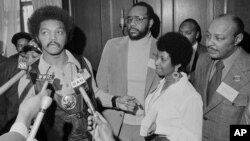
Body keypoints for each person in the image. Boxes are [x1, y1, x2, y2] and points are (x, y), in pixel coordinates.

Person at [1, 5, 97, 141]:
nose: (53, 38)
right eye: (45, 32)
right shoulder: (30, 75)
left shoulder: (82, 62)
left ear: (67, 35)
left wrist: (115, 101)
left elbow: (95, 93)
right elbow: (25, 118)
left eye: (59, 32)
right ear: (37, 37)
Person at [96, 2, 161, 141]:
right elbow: (100, 87)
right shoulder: (112, 46)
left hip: (148, 126)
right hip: (116, 124)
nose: (132, 23)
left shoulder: (161, 49)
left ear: (150, 23)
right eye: (129, 19)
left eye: (139, 19)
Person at [192, 14, 250, 141]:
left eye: (219, 38)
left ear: (237, 39)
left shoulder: (247, 70)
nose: (209, 43)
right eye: (208, 36)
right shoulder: (203, 60)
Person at [140, 32, 203, 141]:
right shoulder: (161, 83)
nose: (157, 62)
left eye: (163, 59)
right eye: (156, 57)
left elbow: (193, 137)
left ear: (178, 64)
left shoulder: (190, 96)